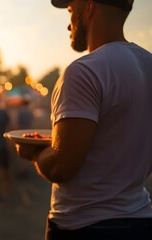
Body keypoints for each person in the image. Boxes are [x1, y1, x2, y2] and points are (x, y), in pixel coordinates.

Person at [15, 0, 152, 239]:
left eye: (70, 10)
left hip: (85, 226)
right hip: (141, 221)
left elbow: (62, 166)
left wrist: (34, 153)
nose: (69, 25)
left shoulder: (84, 71)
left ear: (88, 7)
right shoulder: (148, 64)